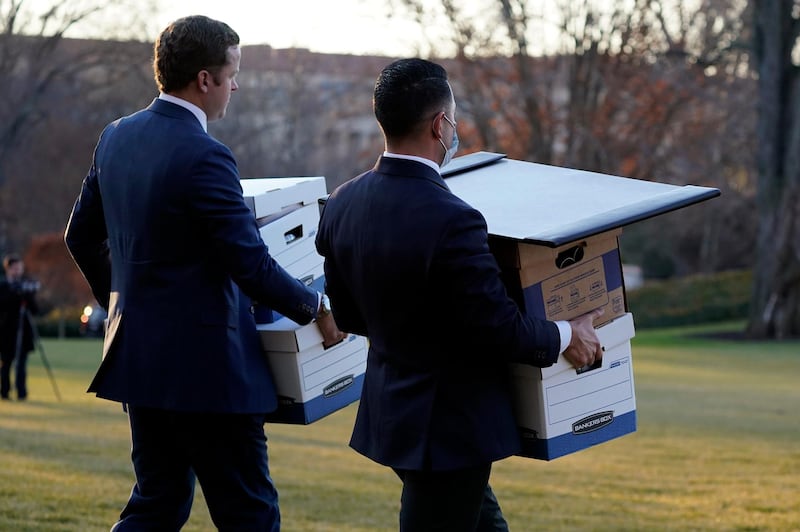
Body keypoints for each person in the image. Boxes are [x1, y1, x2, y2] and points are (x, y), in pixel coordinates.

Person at [64, 15, 344, 531]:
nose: (236, 85)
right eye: (232, 72)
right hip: (210, 373)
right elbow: (250, 263)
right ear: (205, 80)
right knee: (249, 515)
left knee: (156, 505)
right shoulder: (207, 155)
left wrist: (126, 305)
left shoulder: (115, 137)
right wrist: (315, 307)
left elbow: (78, 237)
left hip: (141, 361)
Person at [315, 58, 604, 531]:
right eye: (453, 120)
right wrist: (567, 334)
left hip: (396, 413)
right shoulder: (454, 218)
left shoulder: (342, 203)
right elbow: (498, 327)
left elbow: (349, 315)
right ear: (439, 124)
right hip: (449, 428)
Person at [0, 254, 39, 401]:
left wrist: (27, 295)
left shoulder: (25, 287)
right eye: (14, 268)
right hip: (6, 332)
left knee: (22, 365)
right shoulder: (3, 287)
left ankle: (21, 392)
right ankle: (4, 392)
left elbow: (35, 310)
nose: (17, 271)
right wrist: (15, 295)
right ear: (8, 269)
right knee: (6, 363)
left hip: (24, 332)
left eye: (19, 268)